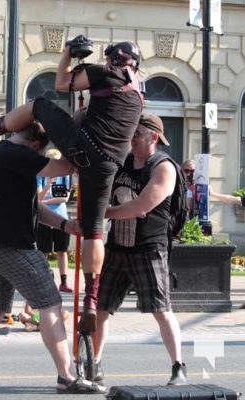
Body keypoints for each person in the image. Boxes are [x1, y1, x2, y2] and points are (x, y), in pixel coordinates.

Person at [0, 39, 143, 332]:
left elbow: (61, 83)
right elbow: (102, 118)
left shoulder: (104, 72)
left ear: (113, 59)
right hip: (110, 162)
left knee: (39, 105)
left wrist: (67, 54)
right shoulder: (138, 92)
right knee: (94, 230)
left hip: (86, 150)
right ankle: (91, 300)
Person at [0, 121, 104, 394]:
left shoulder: (1, 154)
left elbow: (33, 206)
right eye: (40, 151)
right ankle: (67, 376)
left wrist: (64, 225)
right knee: (50, 303)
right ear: (35, 145)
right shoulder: (16, 153)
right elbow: (65, 167)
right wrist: (79, 143)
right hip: (11, 245)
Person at [95, 114, 187, 386]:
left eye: (136, 134)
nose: (131, 139)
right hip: (116, 248)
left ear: (152, 137)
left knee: (161, 309)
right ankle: (95, 363)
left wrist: (103, 213)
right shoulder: (122, 163)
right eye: (129, 133)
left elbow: (142, 206)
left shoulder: (163, 167)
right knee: (101, 308)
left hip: (149, 249)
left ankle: (178, 366)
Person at [37, 149, 73, 293]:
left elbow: (64, 198)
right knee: (43, 251)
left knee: (61, 250)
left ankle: (63, 281)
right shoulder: (40, 176)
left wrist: (45, 201)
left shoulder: (64, 176)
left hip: (60, 216)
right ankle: (44, 281)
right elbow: (38, 197)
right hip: (44, 218)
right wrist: (47, 186)